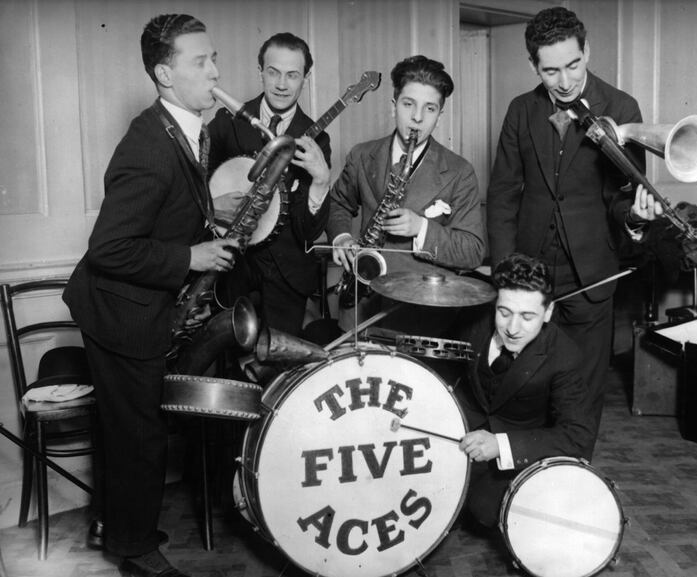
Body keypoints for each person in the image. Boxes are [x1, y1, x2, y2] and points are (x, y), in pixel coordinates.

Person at [63, 14, 237, 577]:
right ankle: (134, 551)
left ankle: (121, 523)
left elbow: (165, 214)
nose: (215, 70)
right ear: (164, 73)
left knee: (131, 431)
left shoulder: (183, 128)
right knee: (138, 435)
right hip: (119, 310)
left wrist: (212, 220)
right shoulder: (149, 145)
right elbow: (110, 248)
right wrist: (191, 256)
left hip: (134, 305)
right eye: (200, 61)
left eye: (214, 58)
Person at [486, 7, 661, 454]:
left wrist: (635, 217)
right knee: (525, 382)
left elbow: (623, 194)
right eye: (550, 71)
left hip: (591, 274)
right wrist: (506, 271)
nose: (563, 81)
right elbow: (504, 193)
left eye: (573, 65)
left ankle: (573, 474)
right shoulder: (521, 111)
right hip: (528, 274)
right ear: (533, 66)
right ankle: (523, 475)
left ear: (587, 52)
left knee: (581, 392)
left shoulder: (622, 108)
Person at [328, 55, 485, 336]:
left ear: (440, 116)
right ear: (393, 106)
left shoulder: (460, 172)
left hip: (421, 317)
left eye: (430, 109)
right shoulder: (362, 155)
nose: (417, 118)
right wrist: (342, 238)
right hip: (361, 309)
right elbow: (336, 203)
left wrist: (421, 229)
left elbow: (473, 251)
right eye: (408, 104)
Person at [456, 252, 594, 528]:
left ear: (549, 312)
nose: (512, 328)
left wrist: (501, 445)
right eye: (504, 312)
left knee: (483, 509)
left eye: (527, 316)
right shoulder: (473, 325)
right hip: (464, 436)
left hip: (517, 454)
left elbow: (577, 436)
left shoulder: (566, 356)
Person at [207, 32, 331, 338]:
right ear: (260, 71)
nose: (281, 84)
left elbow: (310, 231)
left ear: (306, 78)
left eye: (293, 75)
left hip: (287, 276)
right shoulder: (226, 123)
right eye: (273, 72)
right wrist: (214, 210)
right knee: (228, 360)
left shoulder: (317, 139)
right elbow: (195, 192)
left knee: (278, 365)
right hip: (230, 268)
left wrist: (321, 180)